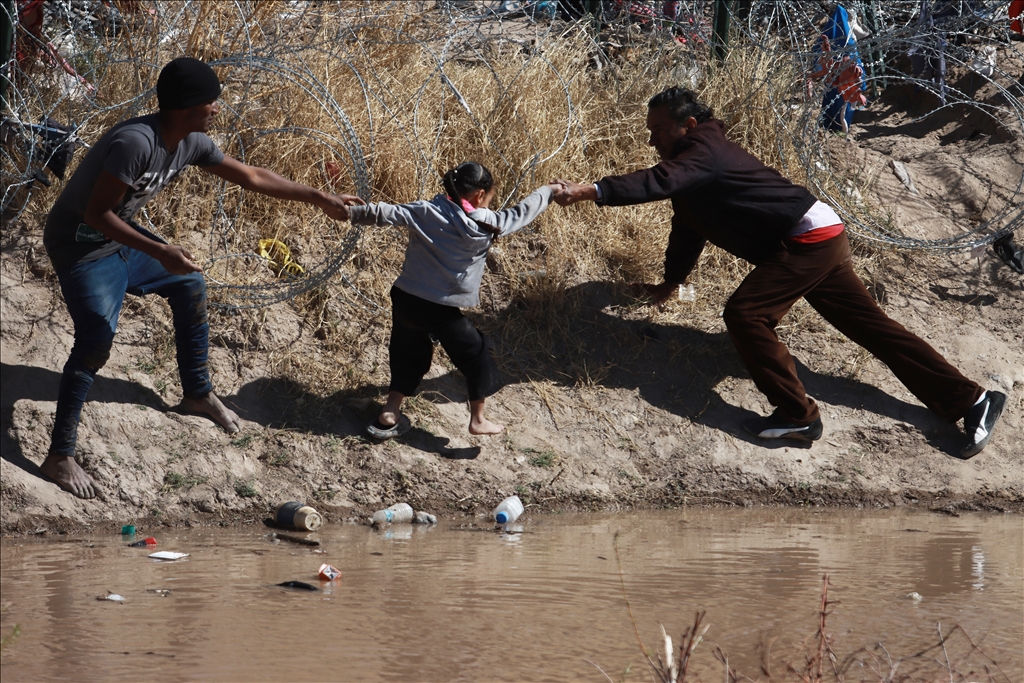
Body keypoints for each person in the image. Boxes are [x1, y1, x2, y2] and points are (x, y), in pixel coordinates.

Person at [551, 86, 1005, 459]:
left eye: (658, 130)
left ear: (687, 125)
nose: (652, 140)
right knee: (872, 328)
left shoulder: (703, 150)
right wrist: (671, 281)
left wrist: (592, 190)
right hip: (819, 235)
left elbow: (658, 182)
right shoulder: (693, 165)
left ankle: (798, 417)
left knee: (746, 314)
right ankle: (973, 400)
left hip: (807, 240)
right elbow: (687, 224)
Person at [40, 57, 363, 498]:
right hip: (81, 245)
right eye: (210, 101)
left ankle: (197, 395)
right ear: (187, 106)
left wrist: (318, 196)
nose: (216, 108)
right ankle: (59, 456)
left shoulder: (190, 141)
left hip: (119, 240)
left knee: (189, 284)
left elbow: (251, 176)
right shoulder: (136, 143)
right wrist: (159, 251)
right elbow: (97, 214)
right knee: (96, 337)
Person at [348, 162, 559, 438]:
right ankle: (478, 419)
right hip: (441, 307)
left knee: (406, 351)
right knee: (476, 354)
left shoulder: (427, 211)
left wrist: (347, 211)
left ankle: (390, 411)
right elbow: (523, 212)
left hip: (406, 298)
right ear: (480, 195)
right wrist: (549, 191)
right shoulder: (488, 223)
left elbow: (383, 213)